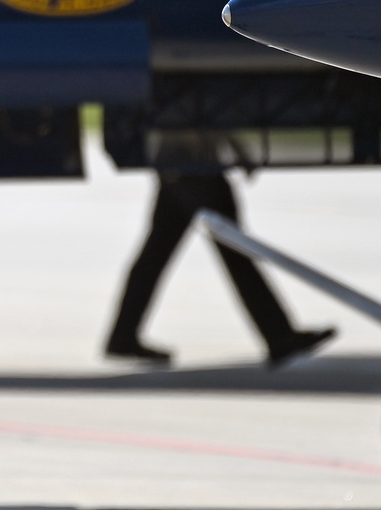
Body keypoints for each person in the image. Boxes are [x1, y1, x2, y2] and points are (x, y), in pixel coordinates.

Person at [105, 132, 334, 367]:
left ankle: (123, 336)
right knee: (232, 250)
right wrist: (237, 148)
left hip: (182, 162)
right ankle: (279, 337)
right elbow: (196, 109)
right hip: (192, 163)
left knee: (158, 254)